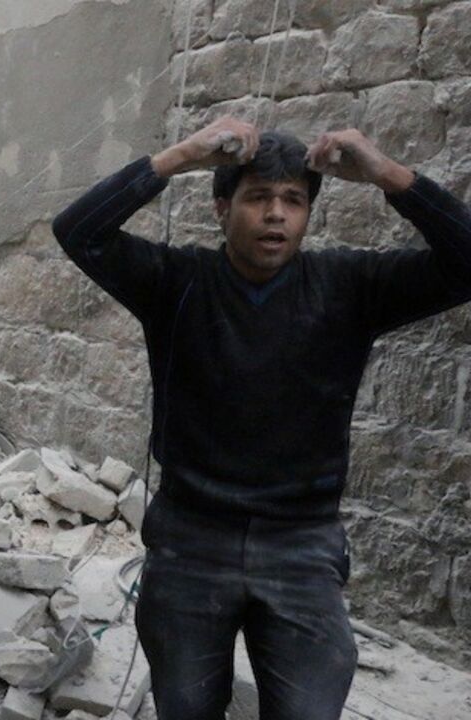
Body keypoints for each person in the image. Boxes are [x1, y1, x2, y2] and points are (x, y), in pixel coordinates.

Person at [52, 116, 471, 719]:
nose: (276, 214)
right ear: (222, 208)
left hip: (301, 543)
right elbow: (78, 231)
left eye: (293, 200)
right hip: (191, 539)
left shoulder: (348, 287)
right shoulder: (176, 282)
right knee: (186, 707)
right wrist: (181, 156)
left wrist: (386, 174)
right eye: (257, 197)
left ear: (308, 213)